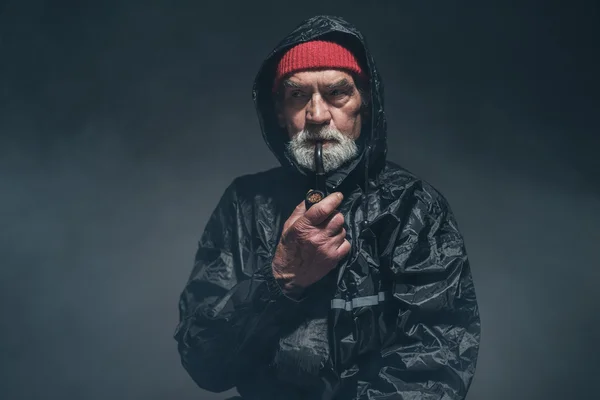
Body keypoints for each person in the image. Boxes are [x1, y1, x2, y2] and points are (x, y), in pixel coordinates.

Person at [174, 15, 481, 400]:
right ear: (280, 114)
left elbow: (436, 362)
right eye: (298, 95)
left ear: (364, 105)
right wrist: (282, 277)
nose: (317, 116)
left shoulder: (412, 207)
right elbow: (205, 362)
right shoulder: (244, 204)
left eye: (337, 93)